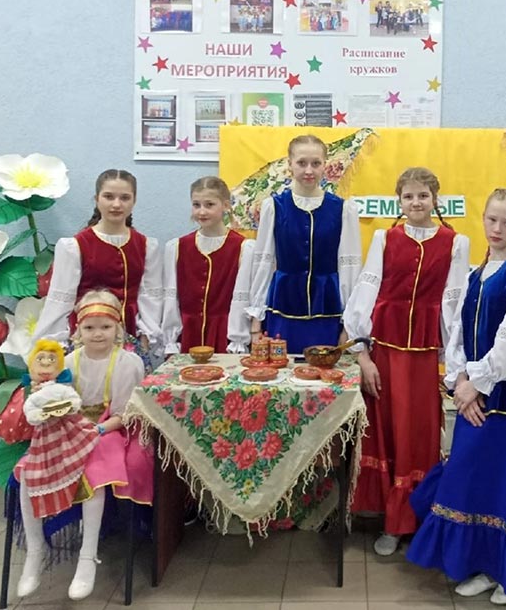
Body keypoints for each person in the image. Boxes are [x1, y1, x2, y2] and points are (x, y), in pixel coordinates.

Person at [406, 188, 506, 604]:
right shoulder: (474, 274)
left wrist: (478, 383)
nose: (497, 229)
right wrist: (459, 383)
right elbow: (455, 332)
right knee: (473, 479)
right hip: (473, 392)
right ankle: (484, 564)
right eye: (492, 219)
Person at [344, 167, 469, 556]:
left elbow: (455, 305)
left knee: (418, 436)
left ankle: (416, 520)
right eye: (409, 196)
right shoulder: (385, 238)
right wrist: (363, 357)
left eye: (423, 195)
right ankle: (390, 521)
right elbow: (366, 292)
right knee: (387, 433)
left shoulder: (455, 242)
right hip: (385, 353)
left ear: (435, 199)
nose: (416, 202)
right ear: (399, 200)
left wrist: (456, 366)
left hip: (423, 359)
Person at [16, 290, 153, 601]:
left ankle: (87, 557)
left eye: (105, 327)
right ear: (77, 329)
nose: (97, 334)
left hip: (106, 429)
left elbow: (124, 414)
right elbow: (56, 402)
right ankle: (35, 551)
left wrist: (97, 428)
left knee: (94, 475)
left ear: (118, 328)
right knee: (28, 471)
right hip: (66, 428)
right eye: (89, 327)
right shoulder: (67, 362)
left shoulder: (127, 363)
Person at [247, 134, 362, 352]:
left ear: (325, 165)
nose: (309, 170)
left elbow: (349, 268)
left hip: (327, 307)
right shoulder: (274, 207)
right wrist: (255, 319)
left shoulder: (343, 209)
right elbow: (264, 263)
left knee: (324, 368)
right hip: (283, 305)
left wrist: (348, 322)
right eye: (302, 163)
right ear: (290, 164)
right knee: (283, 367)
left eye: (315, 163)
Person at [33, 169, 163, 361]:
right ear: (97, 199)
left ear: (134, 201)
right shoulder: (74, 246)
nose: (116, 204)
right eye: (109, 197)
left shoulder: (146, 246)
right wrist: (54, 345)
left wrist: (145, 338)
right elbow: (60, 301)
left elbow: (150, 297)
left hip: (130, 340)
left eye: (124, 198)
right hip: (85, 339)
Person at [161, 176, 254, 355]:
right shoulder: (177, 247)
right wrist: (171, 338)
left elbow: (242, 299)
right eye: (196, 205)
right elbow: (171, 298)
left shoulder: (244, 248)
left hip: (224, 334)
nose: (202, 211)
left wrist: (238, 338)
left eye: (209, 205)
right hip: (188, 333)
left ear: (226, 205)